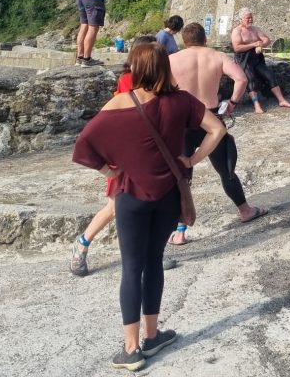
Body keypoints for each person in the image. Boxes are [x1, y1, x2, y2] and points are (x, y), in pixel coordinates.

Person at [72, 41, 226, 370]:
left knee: (132, 267)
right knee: (153, 261)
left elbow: (83, 146)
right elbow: (217, 129)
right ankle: (152, 336)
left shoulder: (120, 102)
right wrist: (191, 159)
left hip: (131, 196)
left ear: (135, 68)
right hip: (168, 196)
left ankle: (131, 349)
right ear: (164, 67)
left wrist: (109, 171)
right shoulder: (182, 101)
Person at [168, 22, 265, 245]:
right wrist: (232, 103)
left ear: (184, 41)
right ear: (205, 39)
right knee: (225, 170)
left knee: (182, 175)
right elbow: (242, 79)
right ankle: (245, 210)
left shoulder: (172, 59)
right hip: (210, 118)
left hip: (182, 121)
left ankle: (180, 231)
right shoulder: (218, 56)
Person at [70, 35, 157, 278]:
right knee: (114, 207)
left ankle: (152, 253)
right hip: (127, 155)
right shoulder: (129, 80)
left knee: (148, 205)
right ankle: (82, 244)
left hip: (144, 154)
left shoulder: (151, 79)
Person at [231, 8, 290, 113]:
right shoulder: (237, 31)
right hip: (243, 59)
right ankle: (256, 105)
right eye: (248, 18)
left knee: (270, 75)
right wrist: (254, 44)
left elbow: (267, 40)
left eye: (251, 17)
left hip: (256, 58)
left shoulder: (255, 29)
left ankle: (281, 100)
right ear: (241, 19)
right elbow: (237, 48)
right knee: (251, 79)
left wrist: (261, 45)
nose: (250, 20)